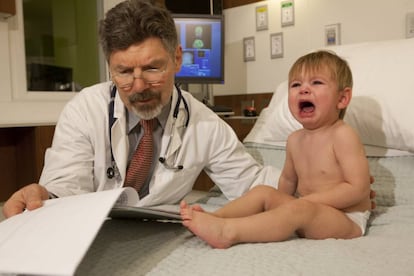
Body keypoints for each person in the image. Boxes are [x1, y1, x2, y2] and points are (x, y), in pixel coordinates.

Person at [2, 0, 280, 218]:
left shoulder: (204, 123)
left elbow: (252, 185)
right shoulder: (84, 110)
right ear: (110, 68)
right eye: (123, 71)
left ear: (177, 58)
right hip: (90, 235)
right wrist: (44, 195)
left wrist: (311, 186)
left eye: (151, 68)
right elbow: (65, 186)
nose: (138, 86)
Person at [180, 50, 372, 249]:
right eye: (296, 85)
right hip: (304, 207)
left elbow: (358, 188)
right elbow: (288, 180)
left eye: (316, 83)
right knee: (263, 191)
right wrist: (278, 204)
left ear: (342, 99)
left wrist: (302, 203)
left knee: (300, 209)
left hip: (345, 218)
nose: (304, 90)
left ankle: (228, 231)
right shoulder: (295, 140)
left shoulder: (343, 135)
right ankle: (215, 217)